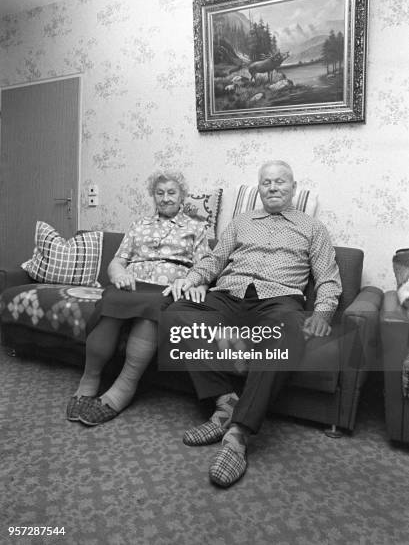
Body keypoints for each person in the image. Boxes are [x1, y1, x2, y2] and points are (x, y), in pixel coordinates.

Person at [162, 160, 342, 487]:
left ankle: (238, 434)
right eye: (266, 183)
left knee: (288, 332)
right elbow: (214, 260)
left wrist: (323, 312)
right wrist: (192, 279)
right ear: (259, 188)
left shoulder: (312, 228)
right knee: (175, 313)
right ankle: (224, 403)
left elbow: (328, 279)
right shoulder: (241, 222)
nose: (272, 188)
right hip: (230, 294)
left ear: (293, 187)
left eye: (280, 182)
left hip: (279, 300)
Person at [67, 170, 209, 426]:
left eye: (171, 193)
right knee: (111, 300)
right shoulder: (138, 224)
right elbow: (118, 261)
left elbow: (204, 267)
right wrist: (119, 273)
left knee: (153, 309)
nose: (165, 198)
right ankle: (89, 379)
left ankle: (124, 387)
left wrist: (193, 282)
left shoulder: (197, 228)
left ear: (182, 196)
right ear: (153, 196)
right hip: (131, 284)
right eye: (160, 193)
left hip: (165, 289)